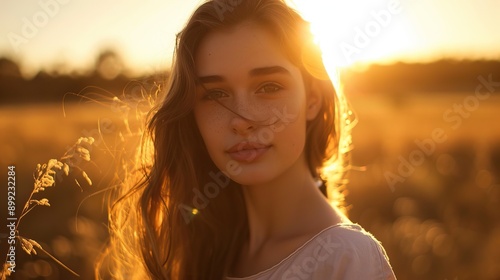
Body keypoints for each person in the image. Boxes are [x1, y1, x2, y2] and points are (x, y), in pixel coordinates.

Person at [97, 0, 396, 279]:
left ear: (312, 100)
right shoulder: (208, 249)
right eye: (215, 94)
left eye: (268, 87)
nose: (241, 120)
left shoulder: (348, 259)